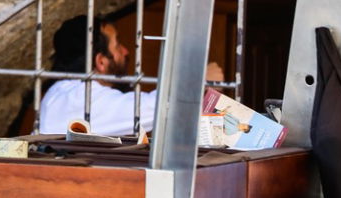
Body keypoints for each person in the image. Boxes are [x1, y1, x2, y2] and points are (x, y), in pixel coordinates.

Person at [37, 14, 223, 136]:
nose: (125, 51)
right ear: (101, 61)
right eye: (117, 45)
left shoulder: (66, 93)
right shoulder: (79, 97)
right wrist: (199, 80)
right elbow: (157, 108)